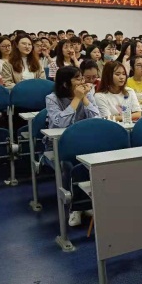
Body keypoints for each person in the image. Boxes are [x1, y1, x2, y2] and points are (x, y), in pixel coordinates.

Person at [45, 66, 99, 227]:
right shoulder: (52, 98)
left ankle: (87, 203)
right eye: (77, 78)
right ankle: (75, 208)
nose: (82, 82)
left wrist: (85, 98)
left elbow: (97, 119)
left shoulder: (87, 93)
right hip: (59, 144)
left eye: (82, 78)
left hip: (84, 141)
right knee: (70, 165)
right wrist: (77, 99)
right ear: (65, 84)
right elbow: (60, 123)